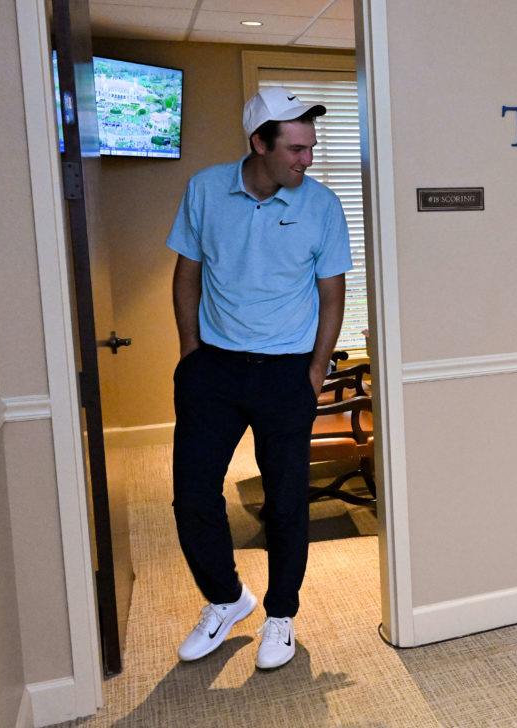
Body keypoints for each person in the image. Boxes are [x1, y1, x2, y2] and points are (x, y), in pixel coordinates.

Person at [166, 87, 351, 670]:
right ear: (259, 144)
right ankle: (227, 599)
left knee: (287, 504)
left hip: (286, 374)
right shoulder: (205, 190)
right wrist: (191, 352)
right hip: (214, 369)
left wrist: (317, 370)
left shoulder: (321, 205)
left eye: (311, 148)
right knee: (192, 497)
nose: (307, 160)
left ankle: (281, 616)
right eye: (296, 149)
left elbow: (331, 293)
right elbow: (187, 274)